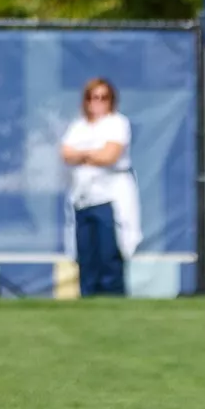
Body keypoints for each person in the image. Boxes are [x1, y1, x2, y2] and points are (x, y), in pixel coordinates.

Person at [60, 78, 142, 297]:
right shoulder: (78, 126)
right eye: (92, 97)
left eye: (103, 98)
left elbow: (109, 155)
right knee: (86, 255)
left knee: (109, 255)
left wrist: (83, 154)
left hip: (110, 198)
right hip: (83, 198)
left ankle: (113, 299)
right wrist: (92, 153)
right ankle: (88, 298)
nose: (97, 102)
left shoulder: (117, 123)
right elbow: (66, 154)